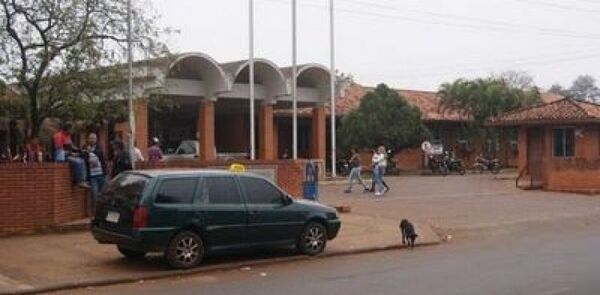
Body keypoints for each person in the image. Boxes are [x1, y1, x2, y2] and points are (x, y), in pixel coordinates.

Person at [83, 133, 107, 215]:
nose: (92, 140)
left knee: (102, 195)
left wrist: (91, 151)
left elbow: (100, 154)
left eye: (94, 138)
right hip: (93, 176)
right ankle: (95, 212)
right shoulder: (85, 148)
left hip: (101, 174)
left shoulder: (99, 148)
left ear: (96, 140)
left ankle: (101, 212)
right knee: (94, 194)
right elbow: (84, 158)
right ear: (88, 139)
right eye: (91, 138)